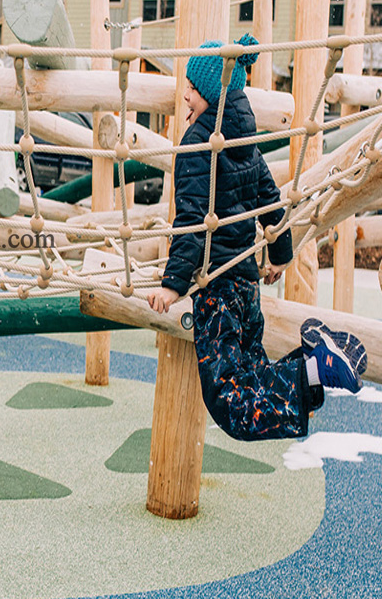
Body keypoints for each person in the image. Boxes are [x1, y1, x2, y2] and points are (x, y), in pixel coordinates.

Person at [146, 34, 367, 442]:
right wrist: (280, 255)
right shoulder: (245, 140)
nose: (185, 97)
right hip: (246, 287)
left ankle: (315, 364)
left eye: (192, 90)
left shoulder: (198, 144)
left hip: (218, 290)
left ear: (213, 94)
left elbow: (193, 221)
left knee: (233, 404)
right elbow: (269, 200)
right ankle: (316, 362)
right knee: (254, 378)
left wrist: (172, 285)